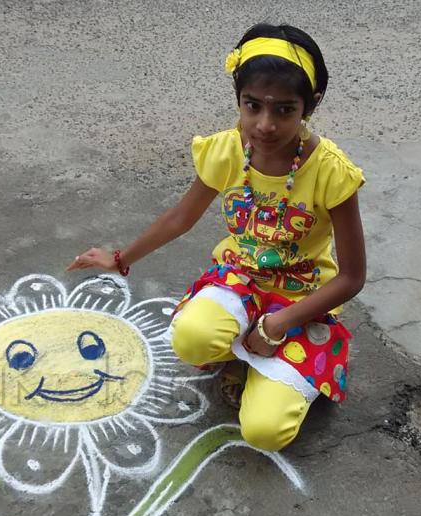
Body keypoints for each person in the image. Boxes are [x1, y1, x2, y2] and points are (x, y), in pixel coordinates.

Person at [66, 23, 366, 452]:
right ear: (238, 98)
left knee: (265, 433)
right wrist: (120, 258)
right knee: (191, 337)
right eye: (253, 105)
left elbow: (352, 277)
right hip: (239, 280)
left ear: (310, 105)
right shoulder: (226, 150)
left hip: (302, 299)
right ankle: (248, 356)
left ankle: (309, 359)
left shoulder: (332, 171)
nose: (265, 124)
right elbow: (181, 218)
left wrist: (278, 325)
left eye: (284, 109)